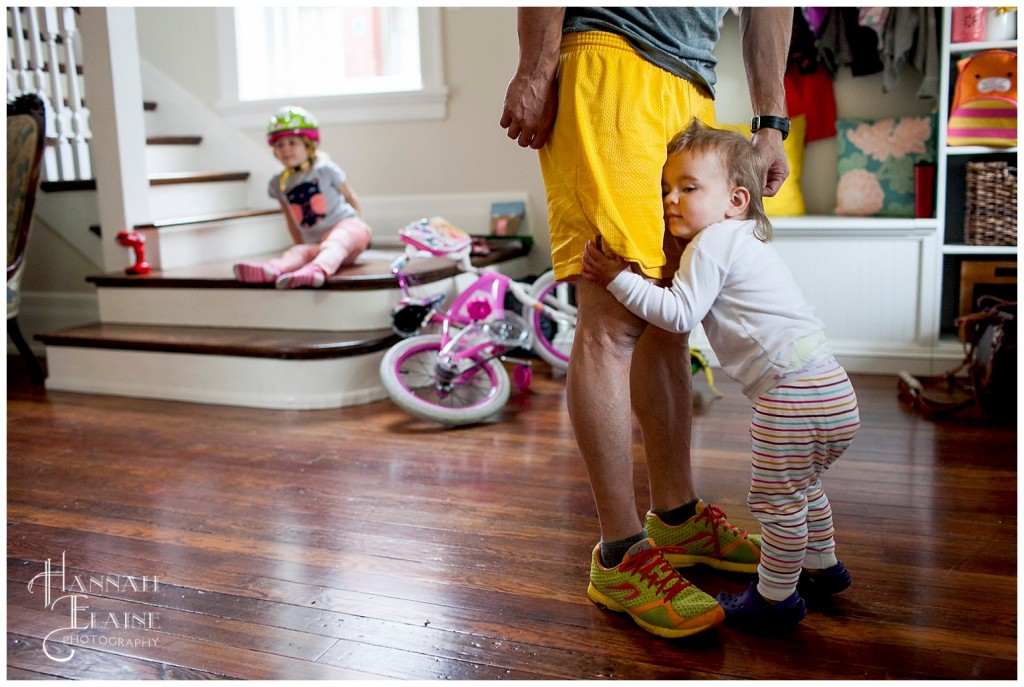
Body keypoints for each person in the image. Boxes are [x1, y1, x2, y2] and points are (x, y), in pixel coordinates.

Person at [500, 8, 794, 638]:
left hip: (692, 79)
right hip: (610, 58)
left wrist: (771, 119)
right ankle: (620, 554)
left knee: (670, 315)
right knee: (614, 319)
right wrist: (535, 67)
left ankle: (678, 515)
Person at [581, 119, 861, 631]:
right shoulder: (747, 241)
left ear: (735, 199)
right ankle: (823, 565)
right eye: (666, 188)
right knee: (805, 486)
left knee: (776, 503)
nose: (670, 200)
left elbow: (678, 313)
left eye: (688, 188)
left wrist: (617, 278)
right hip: (831, 387)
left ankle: (775, 597)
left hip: (788, 398)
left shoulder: (710, 244)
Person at [234, 105, 372, 289]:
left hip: (349, 231)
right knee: (298, 253)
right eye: (279, 145)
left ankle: (317, 270)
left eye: (293, 142)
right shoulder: (278, 183)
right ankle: (271, 270)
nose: (285, 149)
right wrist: (302, 245)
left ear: (309, 145)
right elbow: (290, 219)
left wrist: (359, 228)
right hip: (319, 243)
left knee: (337, 240)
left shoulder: (325, 170)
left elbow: (350, 197)